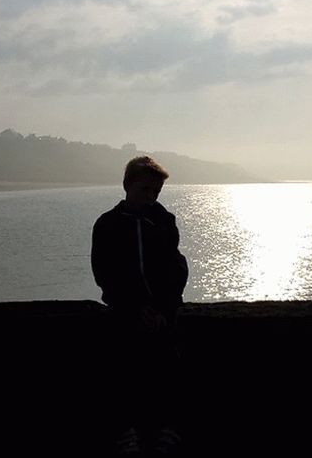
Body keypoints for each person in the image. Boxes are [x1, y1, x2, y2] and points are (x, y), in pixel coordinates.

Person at [91, 156, 189, 455]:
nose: (151, 198)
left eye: (156, 192)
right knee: (120, 368)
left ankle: (168, 428)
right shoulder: (107, 224)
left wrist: (161, 308)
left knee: (170, 367)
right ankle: (125, 430)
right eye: (145, 190)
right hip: (125, 311)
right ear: (127, 186)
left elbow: (176, 270)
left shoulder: (163, 221)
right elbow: (104, 273)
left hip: (162, 311)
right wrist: (134, 308)